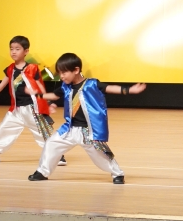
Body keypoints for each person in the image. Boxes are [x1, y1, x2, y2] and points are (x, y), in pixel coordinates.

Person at [27, 52, 146, 184]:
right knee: (51, 144)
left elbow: (109, 88)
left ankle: (117, 174)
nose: (61, 76)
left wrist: (128, 90)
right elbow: (54, 95)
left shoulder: (92, 84)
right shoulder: (65, 87)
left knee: (101, 155)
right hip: (70, 129)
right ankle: (42, 172)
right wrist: (38, 95)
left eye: (64, 72)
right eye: (59, 73)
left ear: (76, 70)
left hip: (88, 131)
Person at [0, 36, 66, 166]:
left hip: (32, 109)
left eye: (17, 49)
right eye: (11, 49)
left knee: (42, 132)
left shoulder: (32, 68)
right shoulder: (10, 69)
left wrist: (46, 102)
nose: (13, 52)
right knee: (4, 128)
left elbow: (40, 85)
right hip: (16, 109)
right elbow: (2, 84)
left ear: (26, 51)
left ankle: (58, 156)